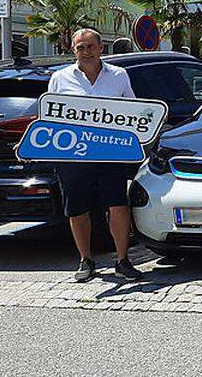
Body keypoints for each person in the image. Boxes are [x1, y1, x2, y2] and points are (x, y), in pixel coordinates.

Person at [47, 28, 143, 282]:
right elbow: (48, 119)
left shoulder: (119, 76)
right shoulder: (59, 78)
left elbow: (132, 111)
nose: (86, 52)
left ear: (101, 48)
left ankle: (122, 260)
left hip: (110, 153)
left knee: (118, 206)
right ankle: (86, 260)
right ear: (73, 50)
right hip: (73, 155)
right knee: (77, 209)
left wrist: (150, 121)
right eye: (81, 47)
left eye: (90, 46)